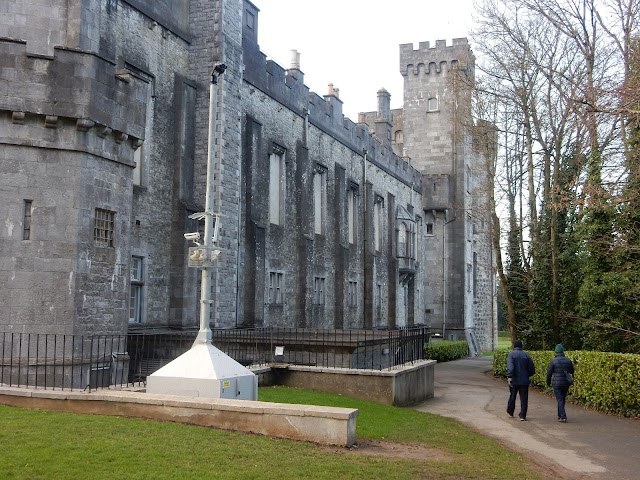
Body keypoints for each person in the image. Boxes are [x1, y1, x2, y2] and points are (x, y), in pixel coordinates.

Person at [506, 339, 536, 421]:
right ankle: (523, 415)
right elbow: (532, 369)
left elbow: (510, 367)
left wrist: (510, 376)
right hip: (524, 380)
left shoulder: (511, 355)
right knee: (524, 398)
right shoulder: (526, 355)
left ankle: (510, 411)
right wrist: (527, 375)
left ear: (514, 346)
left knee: (512, 396)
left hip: (514, 380)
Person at [546, 343, 574, 423]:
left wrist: (548, 382)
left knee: (560, 399)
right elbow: (572, 371)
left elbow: (549, 373)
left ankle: (562, 416)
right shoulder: (568, 360)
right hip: (566, 382)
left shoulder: (553, 361)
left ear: (556, 351)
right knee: (562, 398)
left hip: (556, 383)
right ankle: (560, 415)